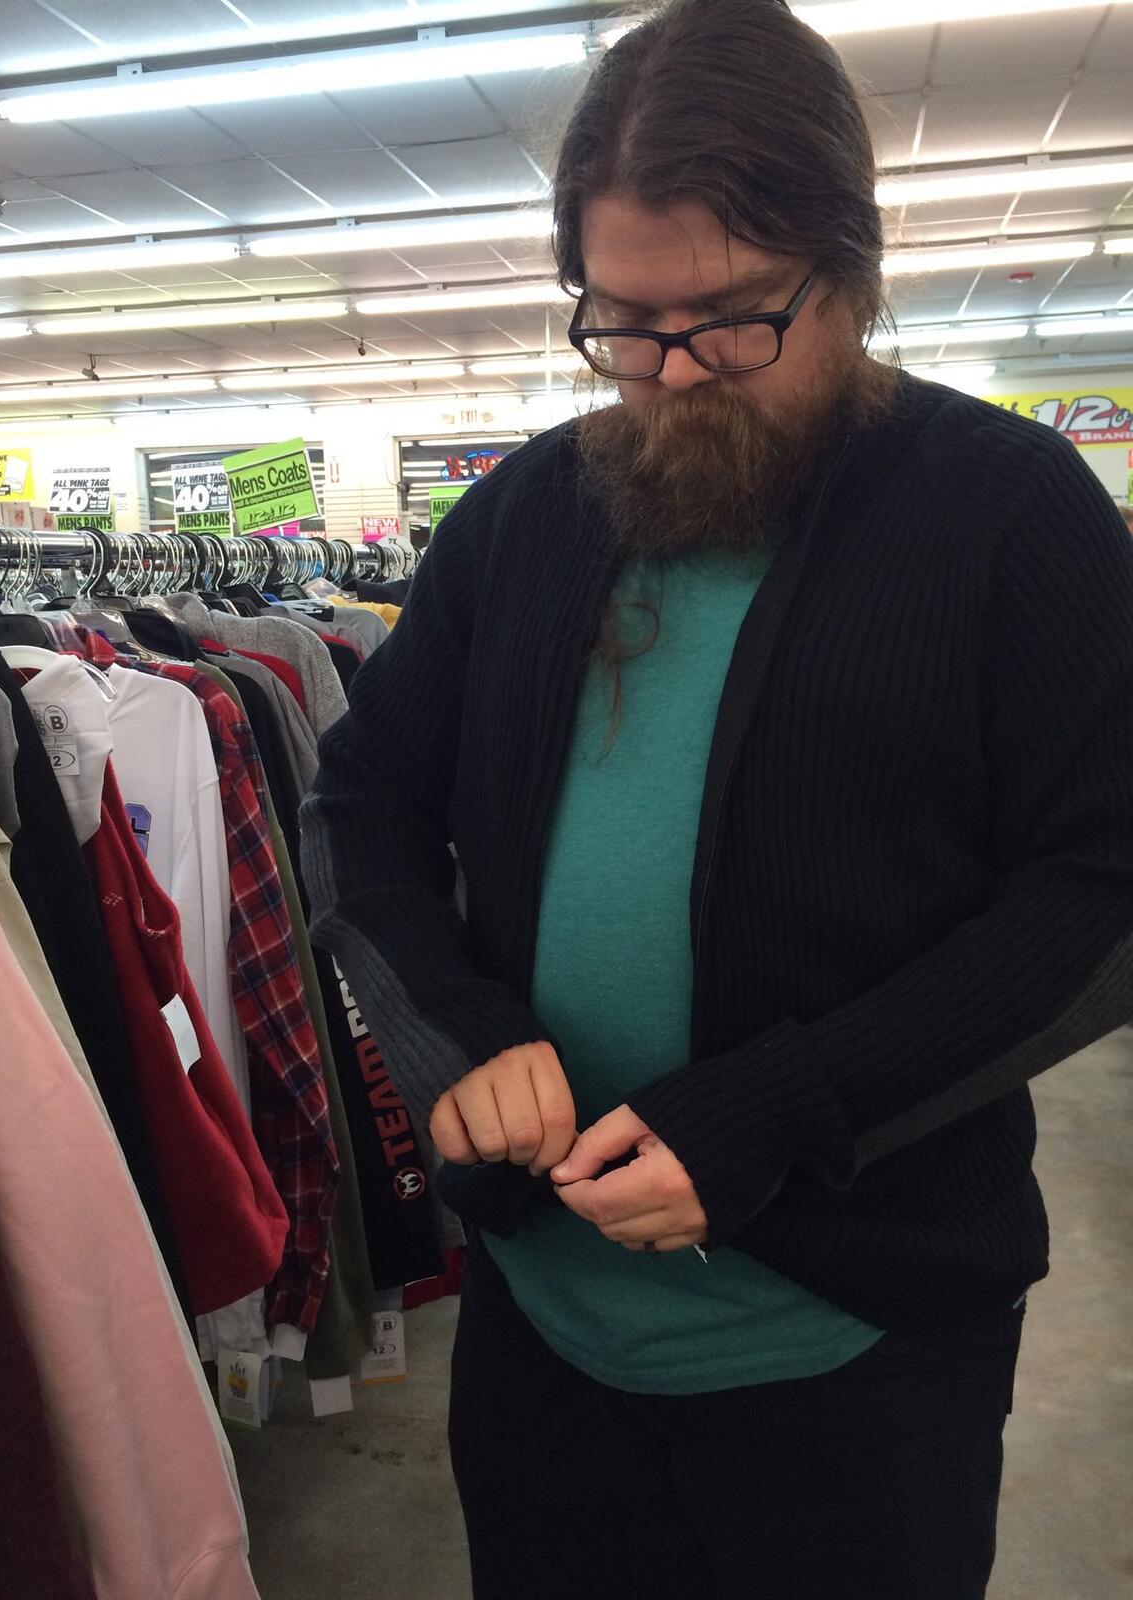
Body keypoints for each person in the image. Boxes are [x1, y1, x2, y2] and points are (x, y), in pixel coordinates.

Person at [300, 2, 1133, 1595]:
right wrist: (451, 1028)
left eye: (734, 321)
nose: (675, 375)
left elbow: (1100, 890)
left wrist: (781, 1111)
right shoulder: (521, 515)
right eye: (624, 322)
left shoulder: (1010, 512)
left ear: (850, 271)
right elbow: (362, 800)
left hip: (861, 1359)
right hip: (544, 1340)